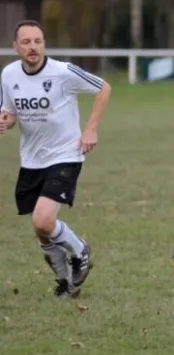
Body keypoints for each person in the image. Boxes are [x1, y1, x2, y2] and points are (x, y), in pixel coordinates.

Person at [0, 20, 111, 298]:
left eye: (37, 41)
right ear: (16, 47)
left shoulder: (63, 72)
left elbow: (104, 87)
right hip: (31, 160)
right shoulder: (8, 74)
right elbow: (11, 113)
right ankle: (65, 281)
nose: (33, 47)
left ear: (44, 44)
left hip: (65, 155)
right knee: (42, 231)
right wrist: (5, 121)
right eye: (26, 42)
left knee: (42, 220)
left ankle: (80, 249)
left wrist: (91, 128)